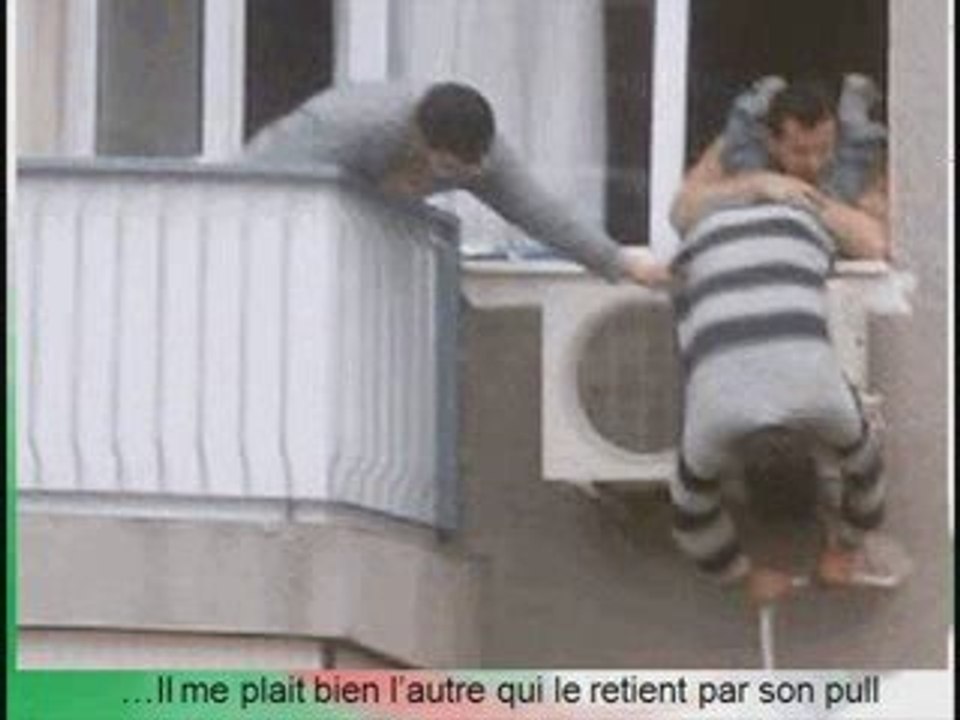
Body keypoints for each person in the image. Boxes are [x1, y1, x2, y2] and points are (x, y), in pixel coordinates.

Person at [666, 77, 904, 606]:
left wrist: (746, 576)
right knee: (842, 193)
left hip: (719, 226)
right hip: (758, 225)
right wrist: (841, 551)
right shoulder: (711, 428)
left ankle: (771, 105)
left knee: (839, 186)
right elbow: (688, 516)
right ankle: (763, 106)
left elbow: (868, 478)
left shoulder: (824, 406)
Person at [240, 81, 669, 286]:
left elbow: (539, 212)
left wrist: (620, 261)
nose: (459, 179)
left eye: (471, 172)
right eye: (448, 170)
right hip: (268, 227)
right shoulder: (354, 124)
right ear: (420, 140)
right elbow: (269, 178)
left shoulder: (483, 156)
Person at [670, 75, 889, 261]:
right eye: (800, 152)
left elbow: (877, 245)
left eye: (823, 150)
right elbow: (681, 212)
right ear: (772, 143)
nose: (813, 163)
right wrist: (759, 185)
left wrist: (801, 197)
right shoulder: (740, 147)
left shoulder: (860, 160)